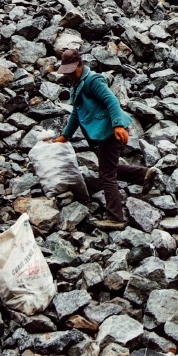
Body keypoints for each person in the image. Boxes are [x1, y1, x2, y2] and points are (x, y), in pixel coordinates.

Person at [47, 48, 154, 231]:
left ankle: (115, 217)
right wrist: (65, 136)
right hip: (100, 132)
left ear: (80, 64)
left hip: (110, 131)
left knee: (106, 176)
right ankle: (142, 175)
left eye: (72, 71)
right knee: (108, 168)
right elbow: (76, 113)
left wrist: (118, 125)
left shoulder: (93, 80)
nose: (70, 75)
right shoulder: (76, 84)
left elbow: (111, 101)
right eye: (67, 72)